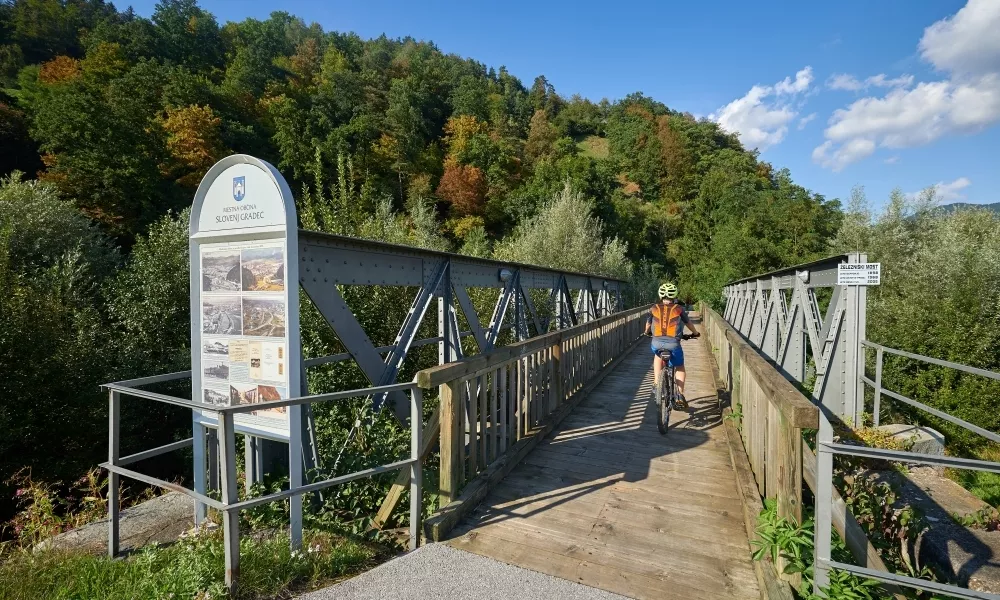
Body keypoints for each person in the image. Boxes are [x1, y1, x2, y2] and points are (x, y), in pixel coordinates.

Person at [644, 282, 698, 404]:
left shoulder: (653, 308)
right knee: (679, 366)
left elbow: (648, 324)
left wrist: (646, 332)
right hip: (673, 344)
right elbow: (688, 323)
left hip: (656, 343)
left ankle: (657, 384)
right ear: (674, 296)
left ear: (660, 296)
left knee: (658, 357)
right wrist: (695, 333)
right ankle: (679, 395)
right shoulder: (679, 309)